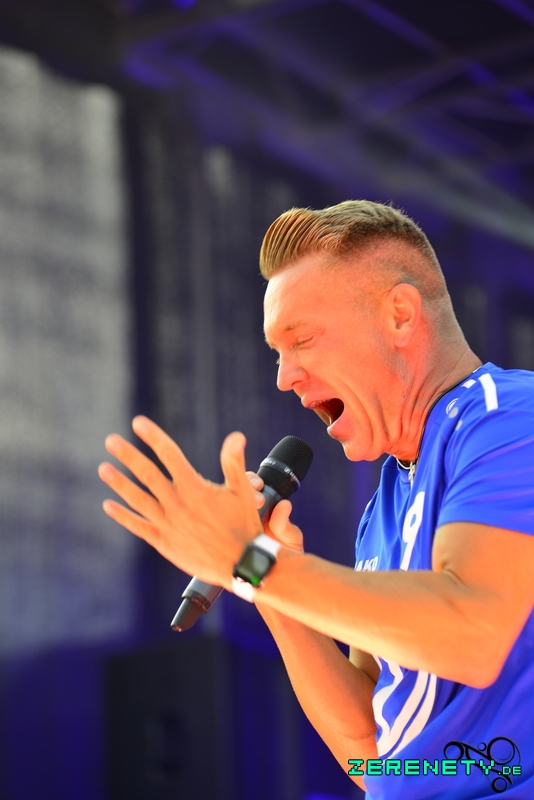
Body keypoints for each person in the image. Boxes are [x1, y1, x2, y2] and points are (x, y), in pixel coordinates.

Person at [98, 201, 534, 799]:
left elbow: (472, 634)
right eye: (277, 352)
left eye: (301, 339)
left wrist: (257, 566)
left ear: (401, 316)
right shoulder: (383, 507)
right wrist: (259, 574)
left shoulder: (510, 419)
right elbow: (371, 755)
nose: (284, 377)